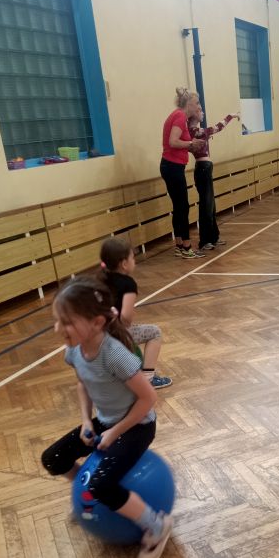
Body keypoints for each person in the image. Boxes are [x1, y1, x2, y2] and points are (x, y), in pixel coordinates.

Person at [41, 276, 173, 558]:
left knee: (102, 485)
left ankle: (156, 525)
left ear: (97, 322)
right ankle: (86, 492)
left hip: (137, 426)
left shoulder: (115, 355)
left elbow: (148, 398)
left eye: (67, 322)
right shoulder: (74, 349)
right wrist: (86, 421)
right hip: (104, 422)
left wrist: (115, 431)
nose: (58, 329)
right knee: (53, 458)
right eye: (56, 321)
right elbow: (82, 384)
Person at [99, 236, 172, 389]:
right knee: (154, 332)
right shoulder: (128, 283)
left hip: (97, 333)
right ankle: (149, 378)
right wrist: (129, 315)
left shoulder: (99, 278)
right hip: (116, 333)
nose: (135, 261)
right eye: (132, 257)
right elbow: (125, 317)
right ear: (124, 264)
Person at [160, 87, 206, 259]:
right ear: (189, 104)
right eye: (196, 103)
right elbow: (173, 142)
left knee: (178, 207)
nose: (198, 106)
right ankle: (187, 247)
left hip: (171, 166)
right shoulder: (180, 116)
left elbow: (176, 143)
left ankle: (179, 245)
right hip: (172, 167)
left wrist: (191, 145)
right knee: (183, 207)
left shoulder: (178, 116)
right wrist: (191, 144)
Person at [188, 105, 239, 250]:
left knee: (211, 206)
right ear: (194, 114)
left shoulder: (196, 131)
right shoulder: (195, 131)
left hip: (206, 169)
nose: (203, 113)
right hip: (202, 169)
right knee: (206, 206)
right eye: (200, 110)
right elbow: (217, 128)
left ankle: (214, 237)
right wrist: (230, 116)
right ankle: (204, 241)